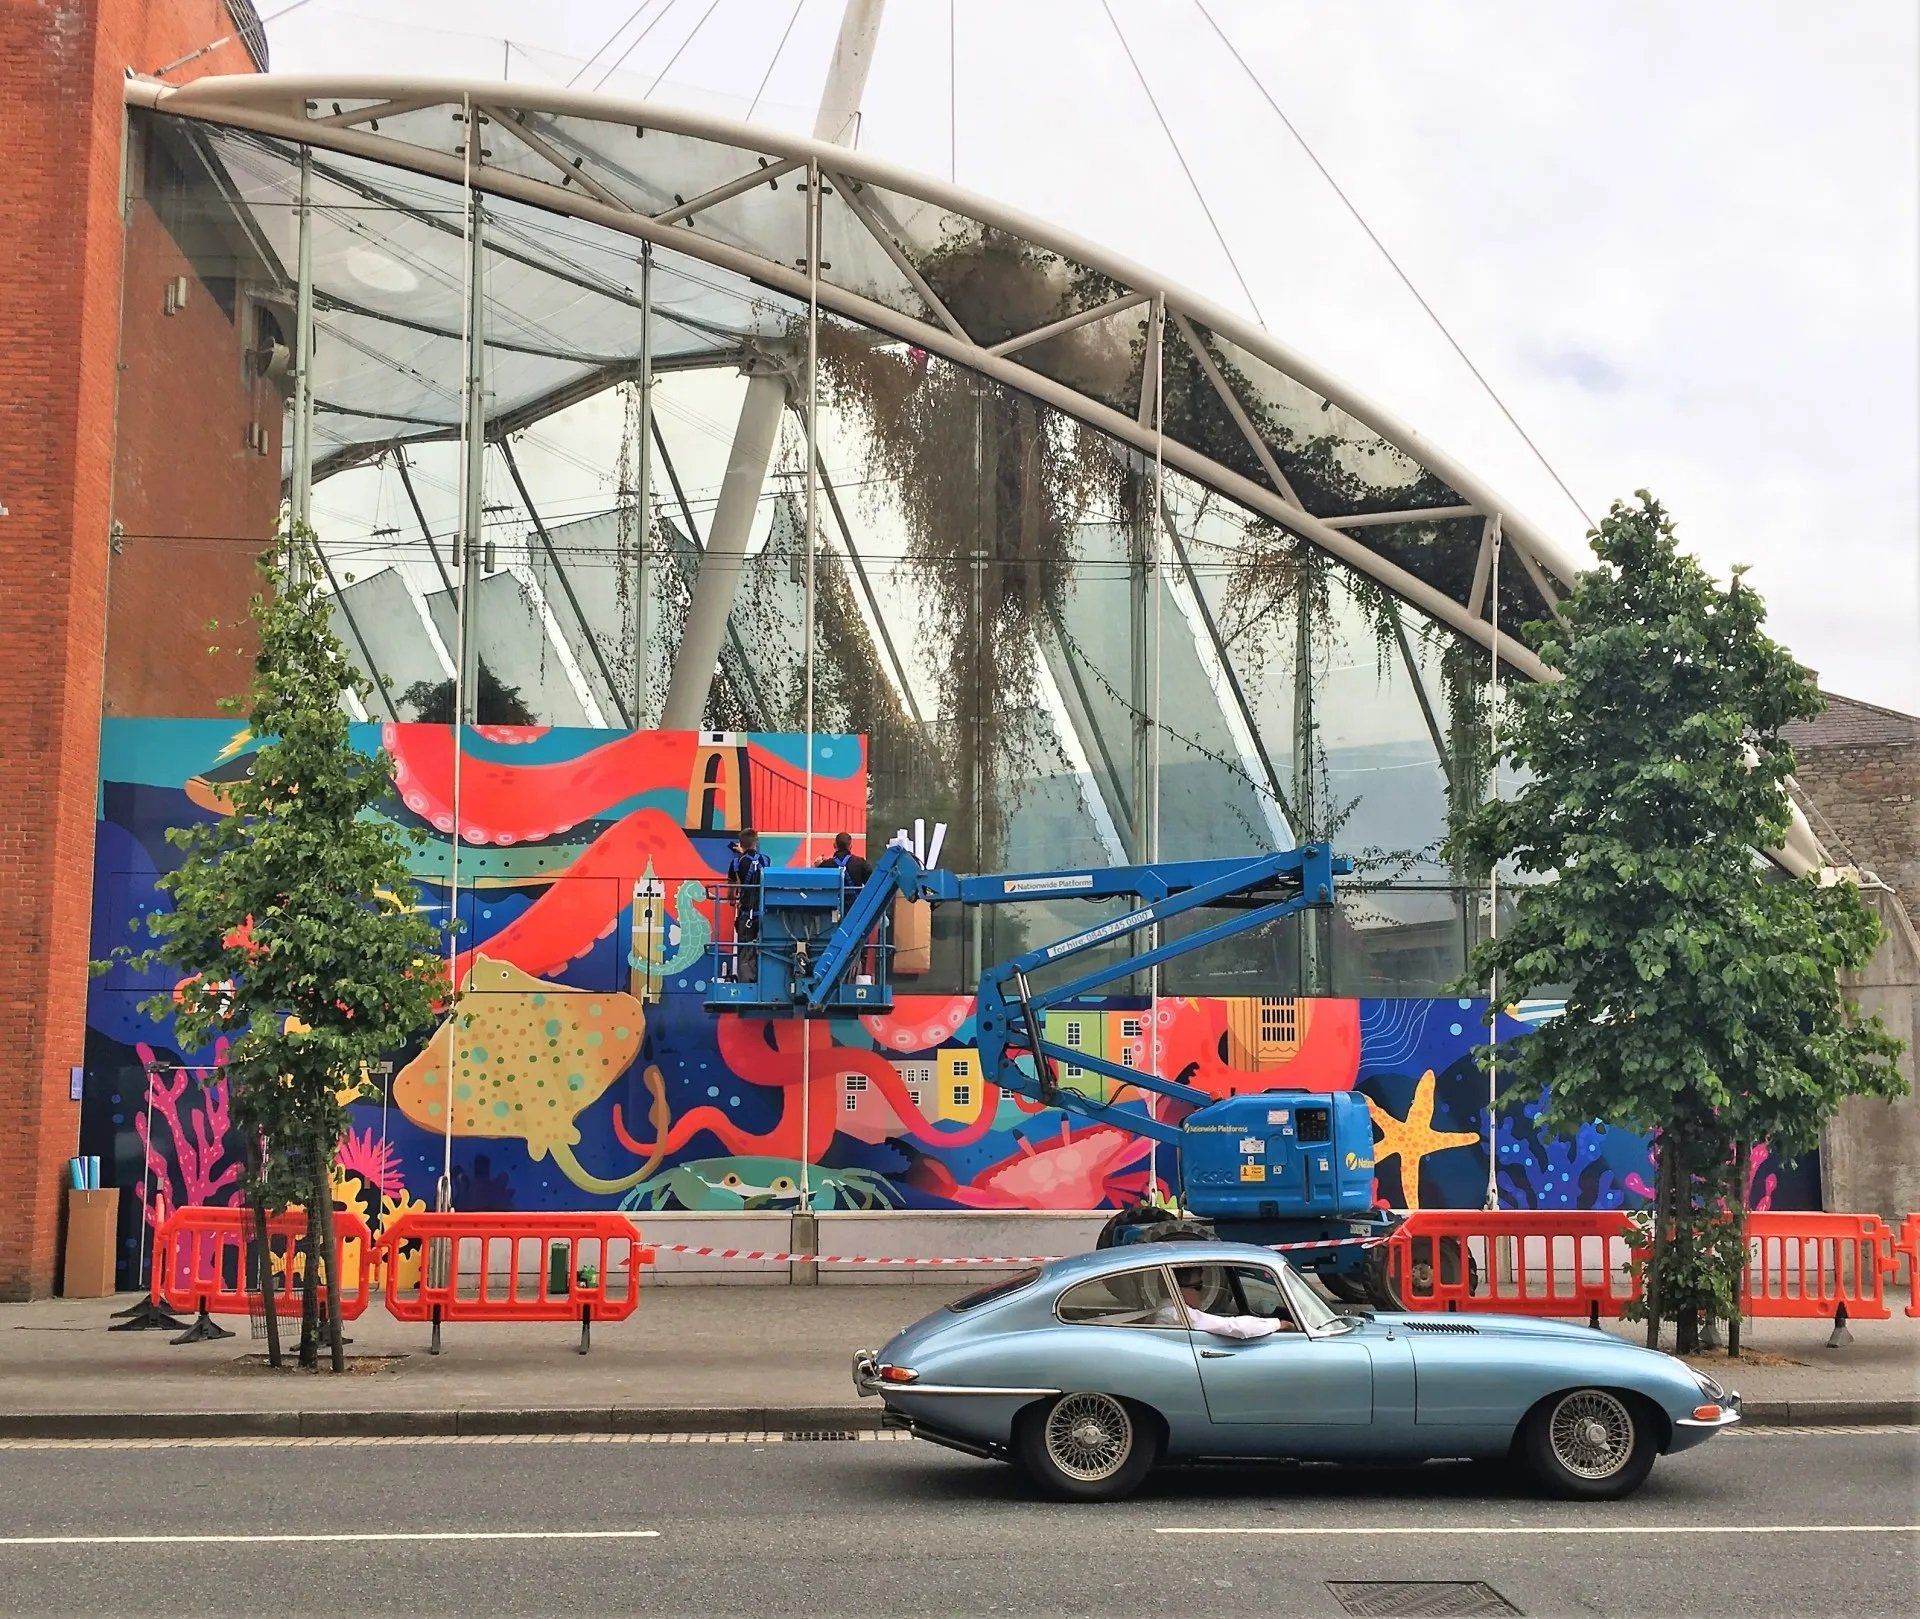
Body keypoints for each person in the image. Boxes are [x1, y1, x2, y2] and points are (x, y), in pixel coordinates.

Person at [1161, 1267, 1297, 1339]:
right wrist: (1280, 1324)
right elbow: (1234, 1328)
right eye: (1198, 1287)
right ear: (1179, 1289)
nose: (1201, 1293)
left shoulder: (1166, 1308)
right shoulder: (1177, 1314)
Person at [725, 827, 770, 980]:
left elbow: (731, 892)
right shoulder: (766, 860)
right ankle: (764, 981)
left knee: (745, 950)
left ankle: (747, 983)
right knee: (765, 949)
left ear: (741, 844)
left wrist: (733, 900)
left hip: (746, 914)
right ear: (755, 843)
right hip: (764, 914)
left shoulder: (736, 863)